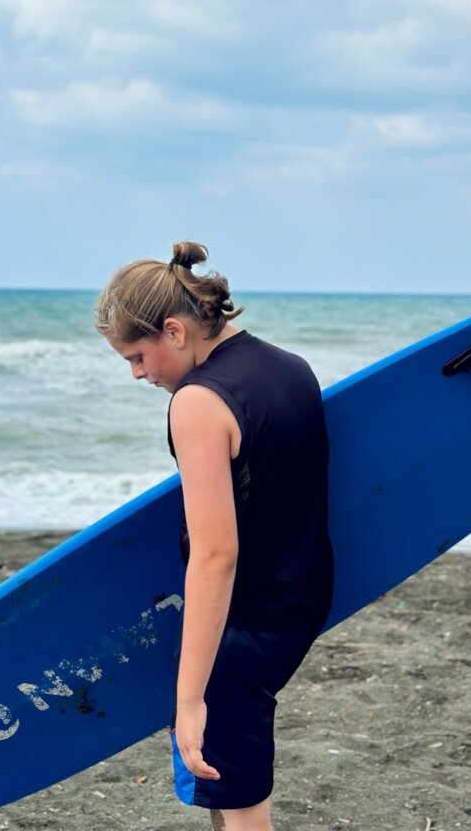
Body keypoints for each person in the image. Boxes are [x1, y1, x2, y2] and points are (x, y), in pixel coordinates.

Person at [95, 241, 334, 831]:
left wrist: (191, 695)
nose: (137, 373)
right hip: (300, 597)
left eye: (137, 355)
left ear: (174, 331)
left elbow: (216, 556)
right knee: (231, 782)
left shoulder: (198, 403)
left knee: (237, 797)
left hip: (244, 625)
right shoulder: (288, 365)